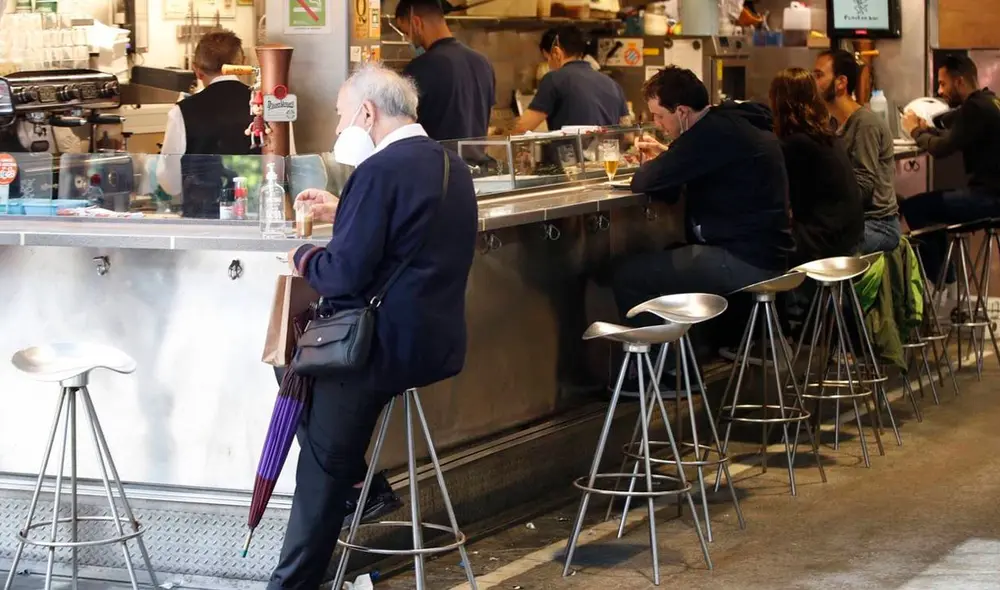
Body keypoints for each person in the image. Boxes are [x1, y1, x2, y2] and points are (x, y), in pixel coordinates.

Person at [268, 64, 478, 589]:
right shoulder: (450, 164)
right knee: (296, 377)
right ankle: (364, 484)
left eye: (341, 117)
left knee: (317, 459)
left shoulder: (379, 171)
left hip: (375, 352)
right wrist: (346, 210)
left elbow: (341, 275)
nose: (339, 129)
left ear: (367, 112)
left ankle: (296, 577)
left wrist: (301, 255)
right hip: (432, 343)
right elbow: (407, 232)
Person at [612, 66, 792, 323]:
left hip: (746, 260)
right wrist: (670, 156)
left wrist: (664, 161)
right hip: (770, 253)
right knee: (672, 254)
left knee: (628, 276)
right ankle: (684, 346)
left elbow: (643, 180)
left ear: (682, 112)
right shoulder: (733, 121)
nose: (658, 124)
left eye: (660, 116)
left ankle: (657, 351)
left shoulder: (707, 133)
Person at [900, 54, 1000, 284]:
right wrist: (926, 130)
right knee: (929, 207)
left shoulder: (973, 108)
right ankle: (945, 277)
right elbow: (954, 136)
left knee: (915, 207)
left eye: (943, 83)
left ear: (959, 81)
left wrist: (914, 131)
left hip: (990, 199)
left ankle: (941, 281)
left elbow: (941, 149)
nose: (939, 90)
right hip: (993, 196)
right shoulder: (990, 101)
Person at [769, 67, 864, 264]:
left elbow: (777, 197)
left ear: (778, 101)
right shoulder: (825, 135)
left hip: (825, 242)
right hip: (850, 236)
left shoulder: (795, 143)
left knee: (759, 247)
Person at [814, 49, 900, 255]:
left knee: (815, 248)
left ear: (841, 82)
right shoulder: (831, 123)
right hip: (853, 220)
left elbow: (862, 188)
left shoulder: (865, 124)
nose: (812, 82)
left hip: (878, 225)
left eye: (818, 75)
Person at [157, 31, 253, 218]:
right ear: (242, 64)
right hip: (259, 218)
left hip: (201, 220)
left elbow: (170, 182)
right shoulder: (268, 105)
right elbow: (289, 165)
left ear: (197, 71)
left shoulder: (182, 111)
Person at [395, 0, 495, 141]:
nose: (407, 39)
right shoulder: (483, 63)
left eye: (406, 32)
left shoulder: (420, 68)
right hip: (475, 155)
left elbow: (400, 127)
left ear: (416, 23)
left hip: (435, 155)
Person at [513, 25, 630, 133]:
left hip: (569, 149)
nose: (548, 64)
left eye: (547, 58)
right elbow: (628, 134)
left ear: (556, 53)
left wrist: (506, 134)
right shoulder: (613, 84)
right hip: (609, 149)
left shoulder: (553, 79)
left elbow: (522, 128)